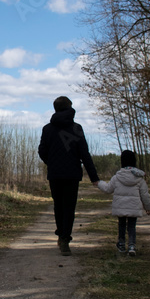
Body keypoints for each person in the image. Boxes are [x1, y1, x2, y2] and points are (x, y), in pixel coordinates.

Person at [38, 96, 99, 255]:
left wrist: (51, 162)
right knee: (69, 207)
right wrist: (94, 177)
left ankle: (62, 235)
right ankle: (65, 239)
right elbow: (84, 154)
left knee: (58, 205)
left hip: (55, 174)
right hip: (72, 174)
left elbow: (42, 151)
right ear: (69, 108)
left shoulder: (47, 129)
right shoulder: (76, 128)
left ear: (55, 109)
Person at [96, 149, 150, 256]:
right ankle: (131, 246)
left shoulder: (117, 177)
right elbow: (145, 195)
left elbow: (108, 189)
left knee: (121, 225)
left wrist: (99, 183)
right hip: (133, 207)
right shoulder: (139, 179)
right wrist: (148, 207)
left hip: (120, 206)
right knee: (131, 226)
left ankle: (121, 244)